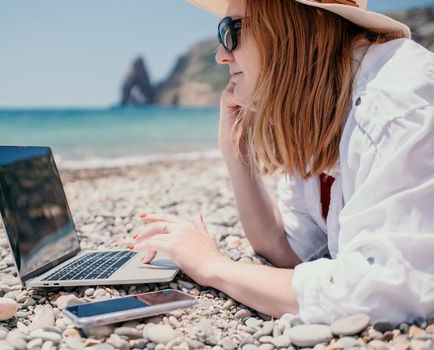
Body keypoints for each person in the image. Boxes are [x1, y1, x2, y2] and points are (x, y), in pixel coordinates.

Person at [130, 0, 434, 324]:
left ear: (309, 27)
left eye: (232, 31)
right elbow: (288, 249)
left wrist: (213, 267)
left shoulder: (394, 105)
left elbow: (379, 293)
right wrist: (235, 150)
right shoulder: (321, 109)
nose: (221, 54)